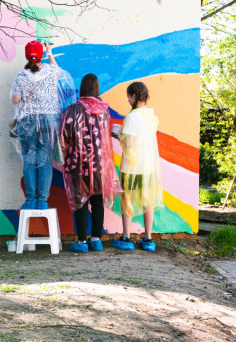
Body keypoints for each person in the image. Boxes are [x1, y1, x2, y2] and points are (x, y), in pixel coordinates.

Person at [10, 40, 76, 210]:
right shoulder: (50, 71)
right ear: (41, 56)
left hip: (27, 121)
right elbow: (58, 71)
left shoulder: (21, 76)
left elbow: (15, 99)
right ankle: (43, 200)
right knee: (45, 160)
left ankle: (31, 199)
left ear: (27, 56)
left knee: (29, 160)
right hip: (49, 120)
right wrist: (49, 52)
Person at [59, 74, 122, 253]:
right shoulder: (103, 111)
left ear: (82, 88)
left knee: (80, 201)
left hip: (77, 164)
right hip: (100, 165)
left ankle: (81, 242)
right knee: (97, 201)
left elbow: (64, 136)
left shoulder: (72, 110)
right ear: (96, 89)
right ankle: (96, 240)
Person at [111, 81, 162, 252]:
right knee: (148, 202)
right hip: (147, 167)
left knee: (127, 200)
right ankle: (148, 239)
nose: (127, 100)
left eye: (128, 96)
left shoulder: (133, 116)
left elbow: (130, 143)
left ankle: (126, 238)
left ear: (133, 96)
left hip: (131, 167)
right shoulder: (150, 115)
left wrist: (118, 135)